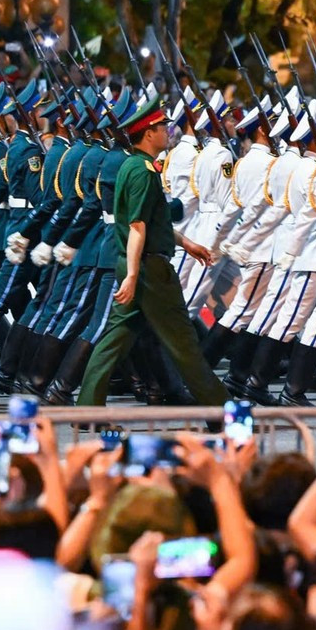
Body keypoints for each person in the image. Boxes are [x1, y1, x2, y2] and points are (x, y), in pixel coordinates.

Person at [76, 97, 230, 407]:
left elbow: (154, 221)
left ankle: (87, 408)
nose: (167, 132)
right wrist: (133, 275)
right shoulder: (143, 171)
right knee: (184, 343)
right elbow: (137, 227)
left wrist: (187, 244)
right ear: (148, 132)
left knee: (113, 342)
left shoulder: (133, 165)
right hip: (150, 272)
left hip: (139, 266)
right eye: (162, 127)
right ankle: (223, 411)